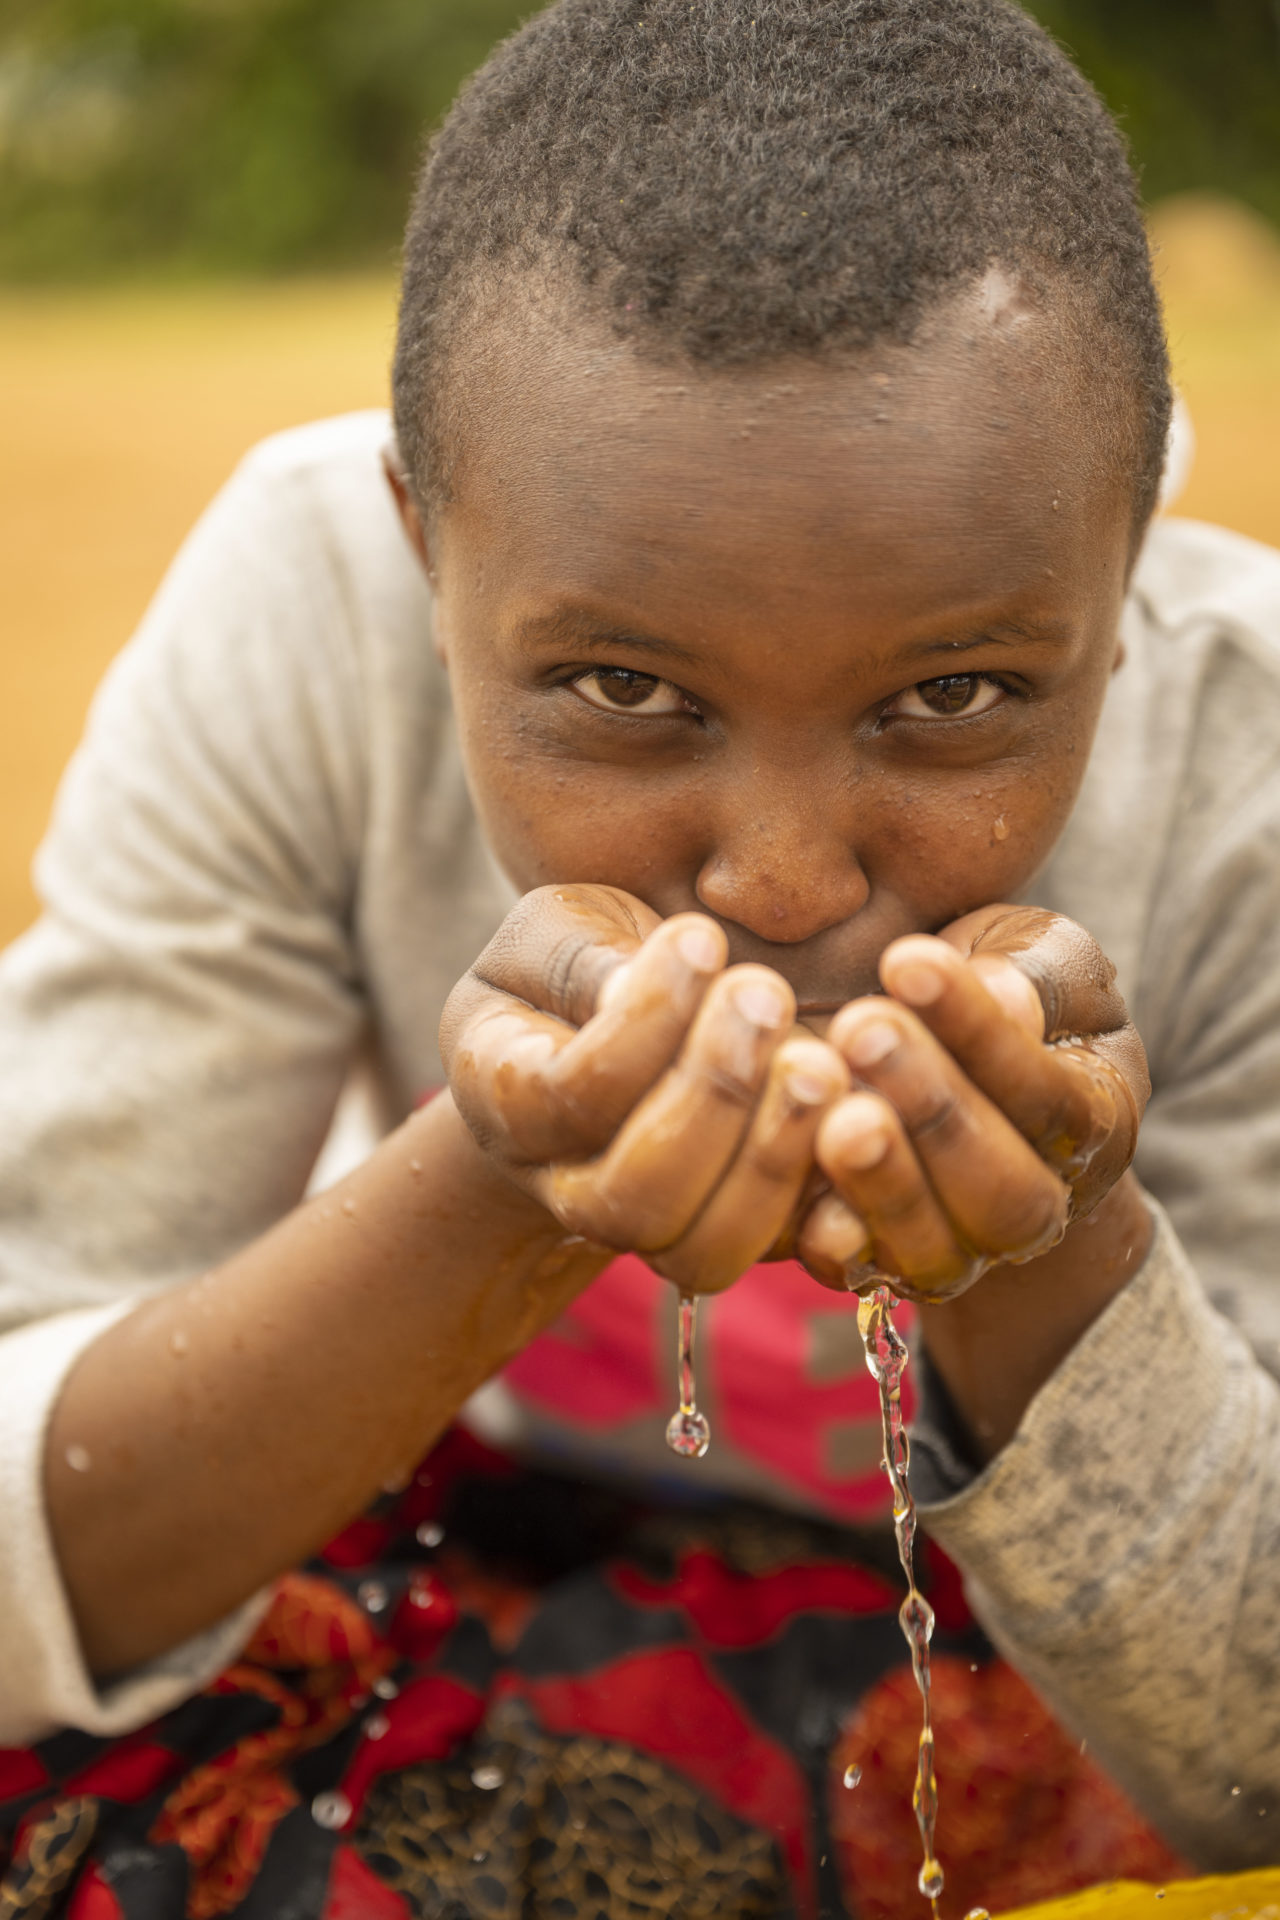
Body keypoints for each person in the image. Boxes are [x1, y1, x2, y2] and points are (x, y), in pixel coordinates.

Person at [1, 0, 1278, 1911]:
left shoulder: (1245, 757)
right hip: (477, 1530)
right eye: (622, 690)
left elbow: (1254, 1751)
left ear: (1126, 567)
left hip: (1033, 1665)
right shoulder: (307, 605)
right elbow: (35, 1538)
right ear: (426, 551)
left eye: (954, 696)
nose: (781, 881)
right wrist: (493, 1186)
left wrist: (1050, 1250)